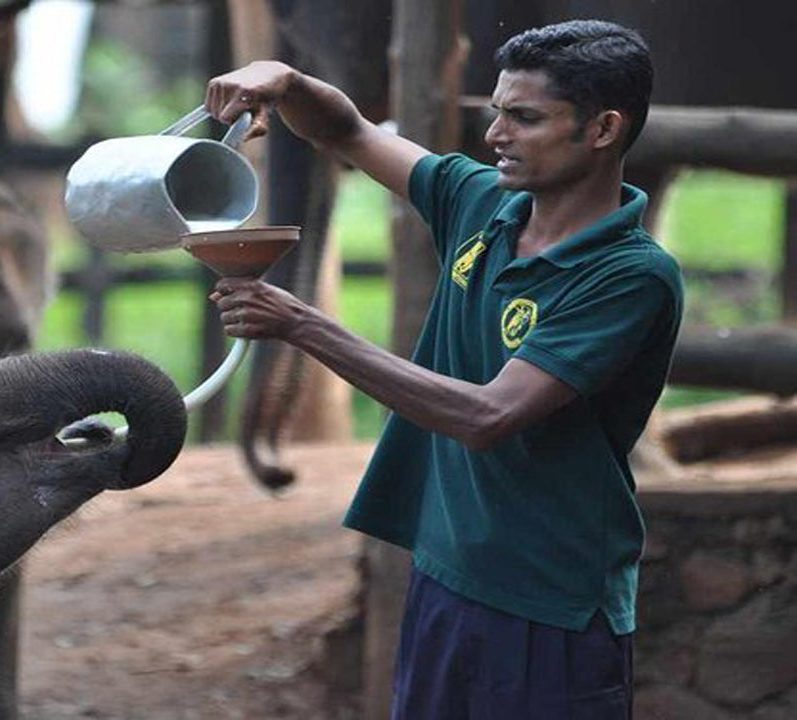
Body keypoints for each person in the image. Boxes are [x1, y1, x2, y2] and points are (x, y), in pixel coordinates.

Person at [205, 20, 682, 719]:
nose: (495, 136)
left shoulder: (629, 277)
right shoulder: (480, 202)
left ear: (603, 129)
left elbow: (487, 416)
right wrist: (286, 80)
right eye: (497, 112)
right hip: (444, 572)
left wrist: (303, 326)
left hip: (548, 599)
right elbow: (348, 133)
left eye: (524, 118)